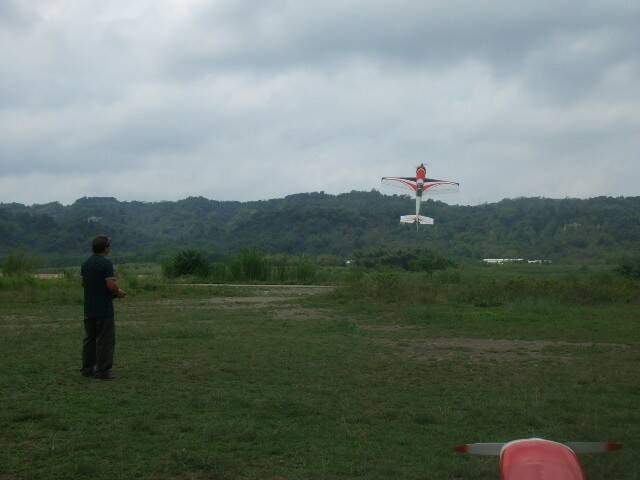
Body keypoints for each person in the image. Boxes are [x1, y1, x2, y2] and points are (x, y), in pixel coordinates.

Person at [80, 235, 126, 380]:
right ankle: (103, 371)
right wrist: (119, 293)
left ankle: (87, 369)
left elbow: (85, 284)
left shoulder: (86, 264)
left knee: (90, 339)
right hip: (104, 310)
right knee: (105, 340)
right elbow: (111, 285)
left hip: (89, 309)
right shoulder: (106, 264)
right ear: (105, 248)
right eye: (109, 246)